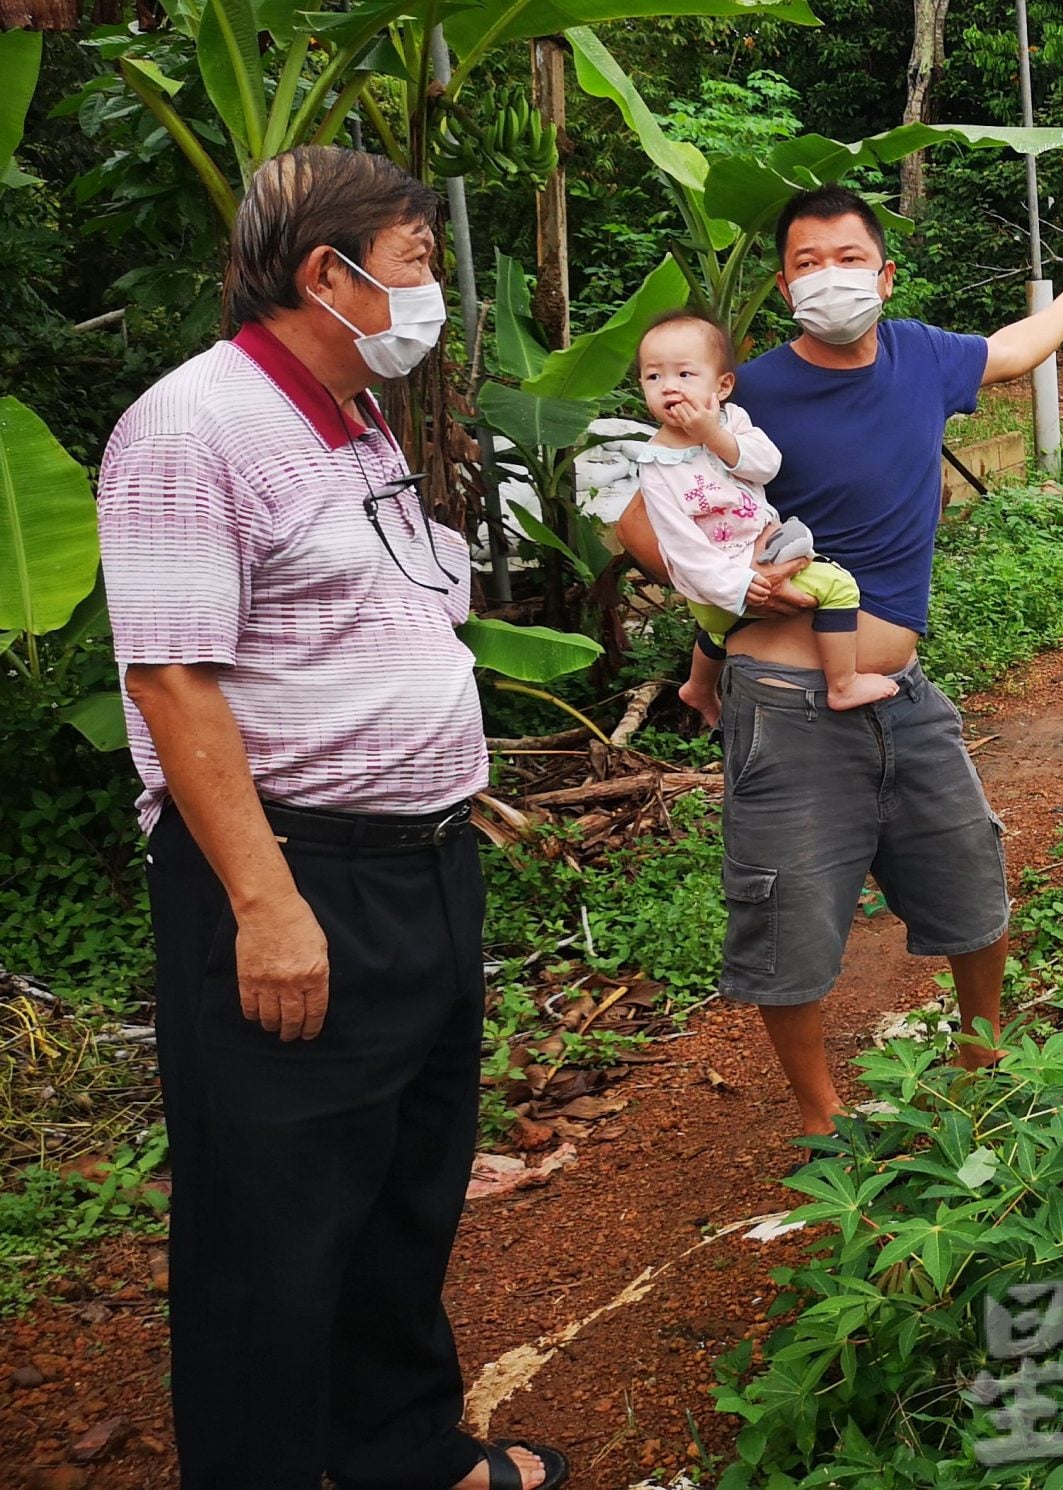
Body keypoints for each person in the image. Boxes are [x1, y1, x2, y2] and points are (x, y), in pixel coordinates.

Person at [96, 147, 564, 1490]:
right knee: (274, 1224)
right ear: (330, 273)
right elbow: (172, 673)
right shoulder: (198, 427)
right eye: (417, 266)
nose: (432, 295)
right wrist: (265, 901)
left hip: (415, 868)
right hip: (297, 878)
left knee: (402, 1190)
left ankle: (402, 1449)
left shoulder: (346, 418)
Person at [616, 185, 1063, 1142]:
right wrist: (736, 585)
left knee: (971, 874)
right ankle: (824, 1127)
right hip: (784, 693)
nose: (829, 277)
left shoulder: (924, 357)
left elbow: (1015, 350)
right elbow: (640, 516)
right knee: (792, 917)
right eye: (807, 264)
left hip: (899, 687)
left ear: (884, 274)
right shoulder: (747, 390)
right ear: (782, 286)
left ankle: (983, 1060)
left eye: (847, 258)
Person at [629, 310, 893, 724]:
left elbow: (767, 465)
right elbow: (680, 545)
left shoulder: (733, 422)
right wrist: (738, 584)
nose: (670, 389)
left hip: (738, 573)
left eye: (684, 374)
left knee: (722, 627)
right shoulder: (655, 464)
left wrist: (713, 436)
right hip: (721, 581)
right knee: (840, 587)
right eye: (654, 377)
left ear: (723, 386)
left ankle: (698, 688)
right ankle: (843, 684)